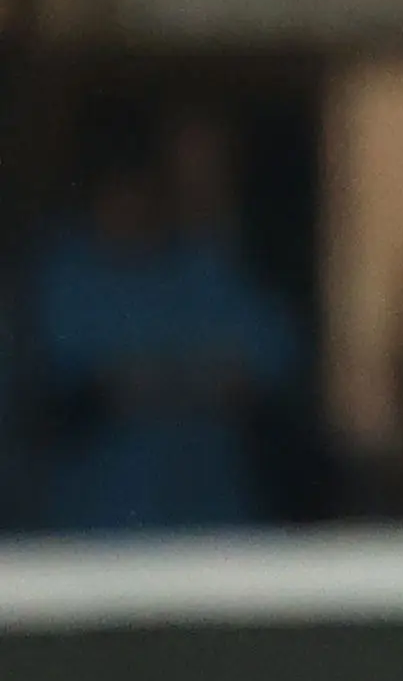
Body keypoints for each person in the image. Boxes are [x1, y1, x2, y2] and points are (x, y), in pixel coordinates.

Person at [31, 114, 297, 531]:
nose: (129, 205)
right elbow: (74, 385)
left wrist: (147, 382)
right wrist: (189, 380)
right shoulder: (65, 273)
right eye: (117, 192)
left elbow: (268, 365)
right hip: (97, 529)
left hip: (212, 526)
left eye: (140, 190)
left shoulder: (204, 267)